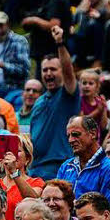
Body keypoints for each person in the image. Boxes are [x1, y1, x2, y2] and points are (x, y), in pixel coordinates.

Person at [29, 25, 79, 179]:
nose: (48, 73)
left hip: (60, 168)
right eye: (45, 70)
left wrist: (60, 44)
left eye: (53, 69)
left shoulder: (67, 95)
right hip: (35, 169)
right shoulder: (38, 101)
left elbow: (68, 71)